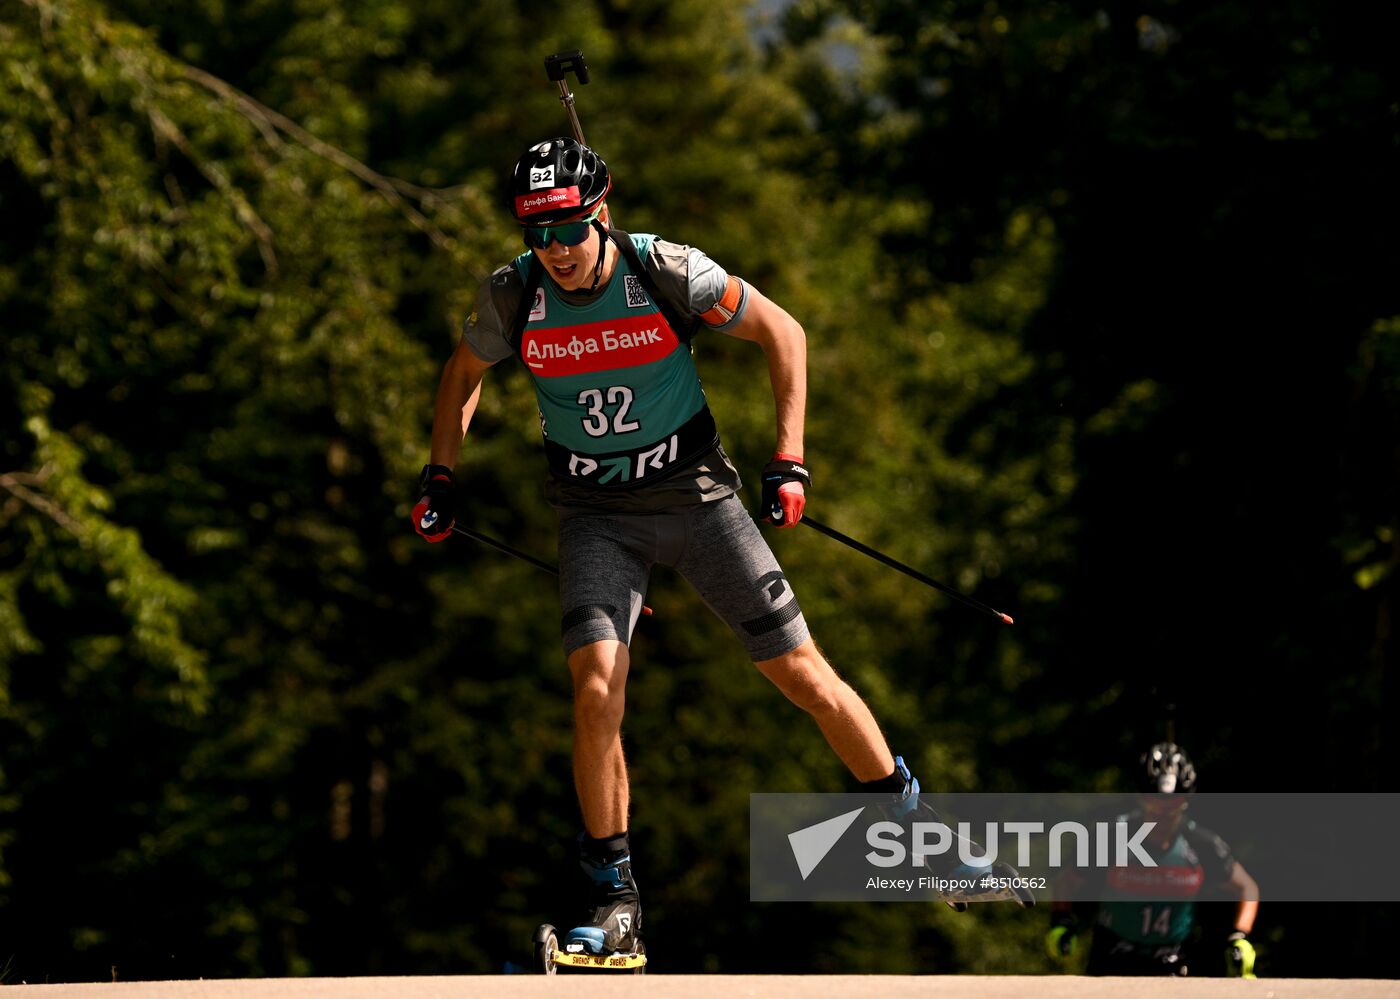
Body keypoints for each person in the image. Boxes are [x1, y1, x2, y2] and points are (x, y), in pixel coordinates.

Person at [412, 137, 1014, 957]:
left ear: (602, 212)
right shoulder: (514, 293)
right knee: (595, 690)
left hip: (697, 499)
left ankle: (918, 829)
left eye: (568, 230)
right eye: (536, 232)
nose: (552, 250)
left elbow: (785, 332)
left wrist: (790, 457)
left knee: (804, 676)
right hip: (594, 515)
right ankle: (615, 899)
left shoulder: (664, 269)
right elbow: (461, 373)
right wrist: (440, 475)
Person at [1045, 742, 1261, 977]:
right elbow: (1067, 880)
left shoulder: (1202, 845)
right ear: (1140, 797)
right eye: (1154, 801)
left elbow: (1246, 887)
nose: (1164, 811)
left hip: (1175, 962)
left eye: (1174, 802)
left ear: (1187, 799)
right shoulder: (1111, 837)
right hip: (1112, 959)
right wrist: (1061, 921)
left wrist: (1241, 936)